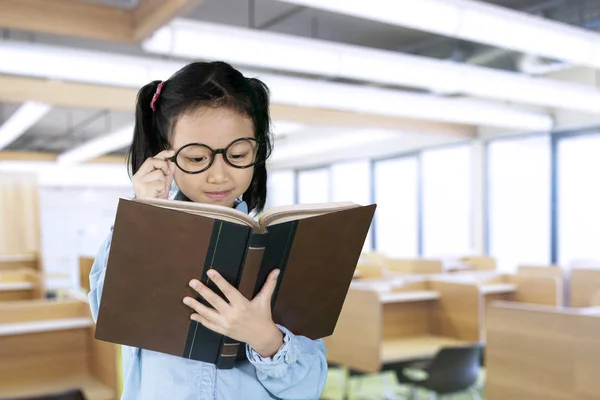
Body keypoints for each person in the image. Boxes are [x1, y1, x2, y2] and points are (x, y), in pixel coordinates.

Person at [88, 61, 328, 400]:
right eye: (198, 158)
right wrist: (142, 217)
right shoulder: (143, 230)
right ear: (165, 153)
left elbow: (309, 388)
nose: (219, 176)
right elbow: (106, 315)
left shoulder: (285, 247)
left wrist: (266, 339)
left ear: (258, 151)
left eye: (238, 154)